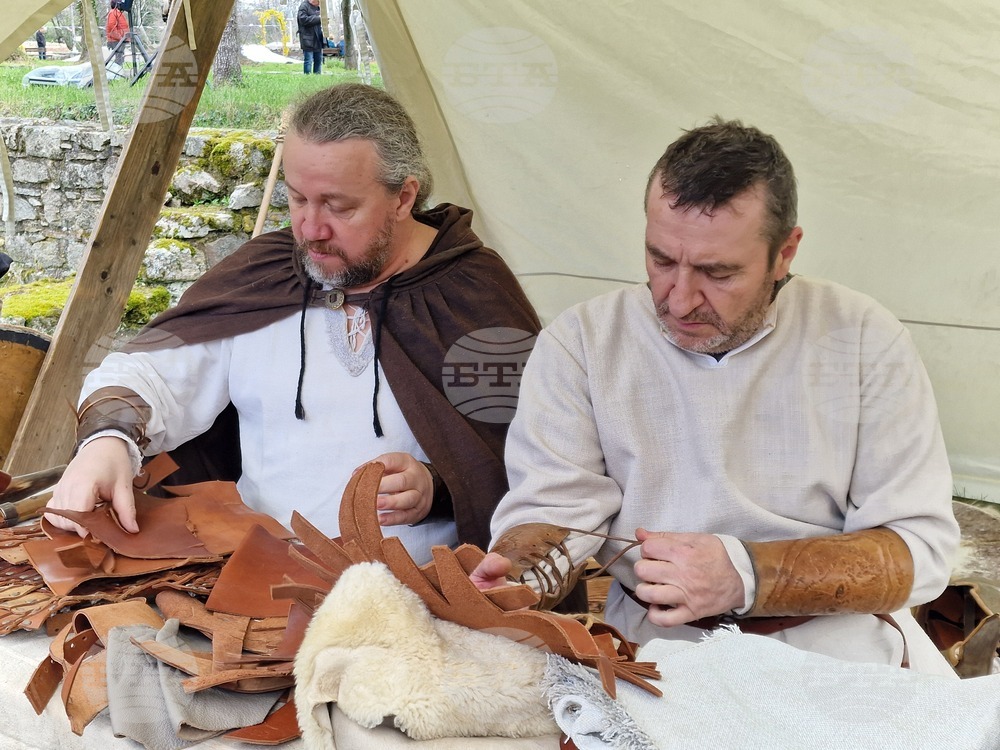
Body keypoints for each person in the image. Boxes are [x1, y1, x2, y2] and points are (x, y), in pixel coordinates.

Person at [472, 118, 960, 674]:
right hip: (658, 657)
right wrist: (517, 575)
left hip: (841, 654)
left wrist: (747, 574)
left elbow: (920, 549)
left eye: (718, 272)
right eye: (661, 260)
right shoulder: (584, 340)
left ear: (785, 252)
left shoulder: (861, 337)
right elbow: (554, 509)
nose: (680, 301)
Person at [47, 83, 541, 565]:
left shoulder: (470, 296)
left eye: (338, 205)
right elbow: (151, 373)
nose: (310, 229)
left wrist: (437, 488)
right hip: (261, 579)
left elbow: (540, 459)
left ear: (403, 197)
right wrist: (106, 440)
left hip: (422, 596)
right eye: (298, 199)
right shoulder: (262, 276)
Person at [297, 0, 324, 75]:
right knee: (308, 60)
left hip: (318, 38)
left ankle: (317, 77)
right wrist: (319, 19)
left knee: (318, 60)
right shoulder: (304, 6)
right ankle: (307, 77)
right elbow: (303, 19)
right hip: (307, 38)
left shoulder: (318, 8)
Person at [106, 0, 129, 67]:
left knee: (121, 57)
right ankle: (117, 71)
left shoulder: (118, 13)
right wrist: (119, 37)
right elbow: (111, 26)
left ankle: (119, 70)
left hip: (120, 39)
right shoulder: (113, 12)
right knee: (119, 58)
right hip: (116, 40)